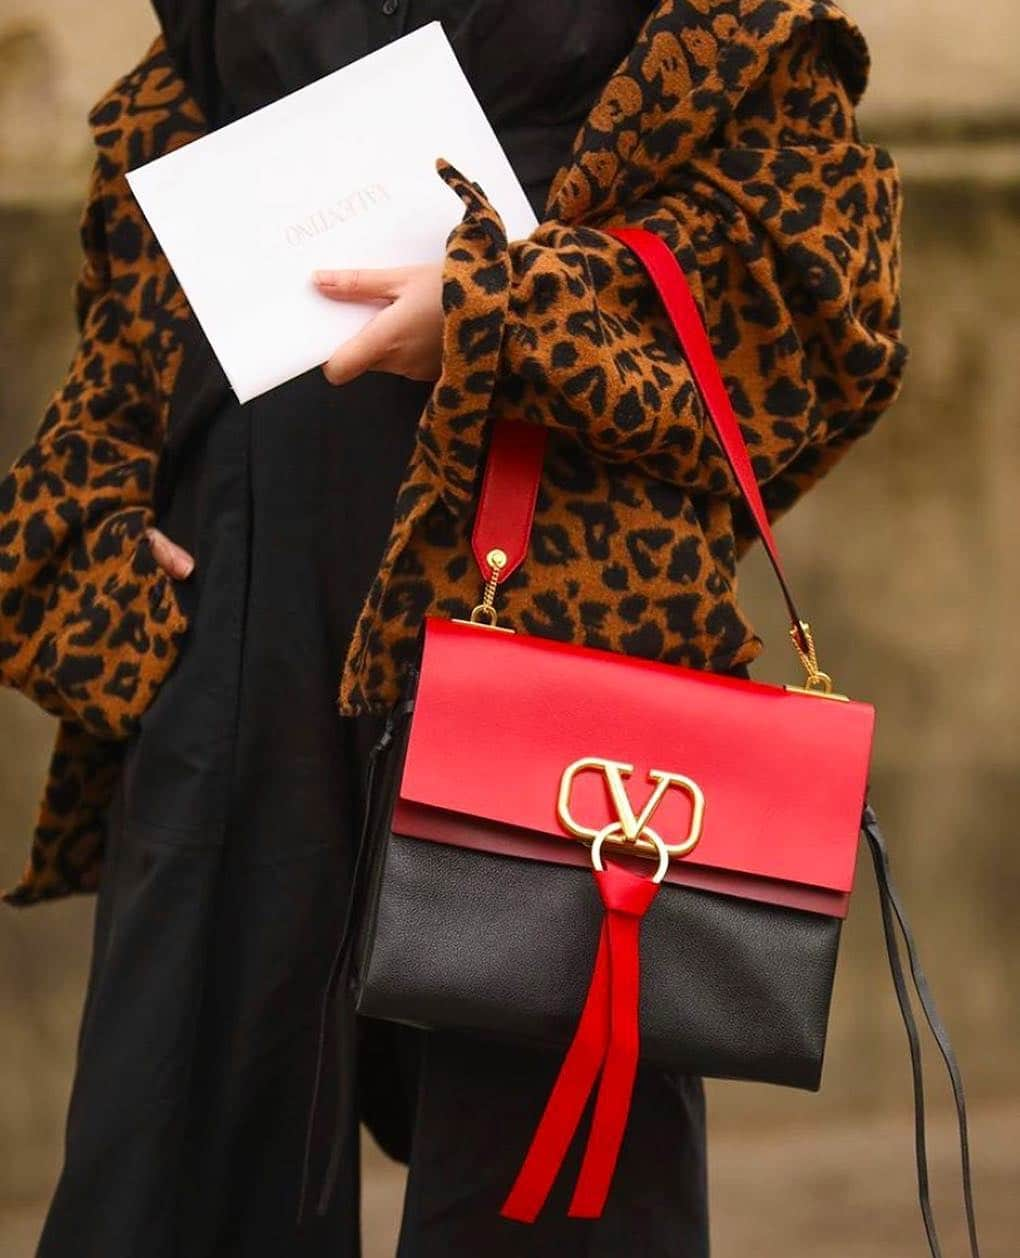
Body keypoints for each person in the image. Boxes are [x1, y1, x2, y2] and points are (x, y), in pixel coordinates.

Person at [0, 1, 905, 1254]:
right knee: (194, 1081)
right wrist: (101, 484)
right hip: (249, 558)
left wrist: (510, 310)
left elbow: (805, 261)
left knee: (541, 1121)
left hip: (557, 548)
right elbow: (158, 172)